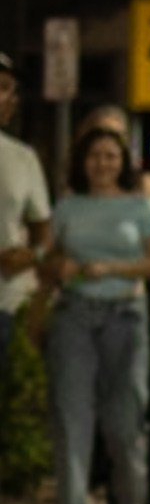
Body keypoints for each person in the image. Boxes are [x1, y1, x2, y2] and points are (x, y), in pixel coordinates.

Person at [42, 126, 150, 504]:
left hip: (126, 312)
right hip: (75, 312)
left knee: (125, 414)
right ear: (82, 161)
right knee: (71, 411)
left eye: (111, 156)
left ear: (124, 162)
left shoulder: (142, 207)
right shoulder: (67, 207)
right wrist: (56, 266)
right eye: (95, 155)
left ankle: (132, 498)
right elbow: (48, 254)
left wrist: (112, 268)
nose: (103, 163)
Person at [0, 51, 52, 375]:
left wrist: (33, 254)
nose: (8, 99)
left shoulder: (23, 158)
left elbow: (45, 230)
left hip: (7, 303)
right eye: (1, 87)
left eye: (11, 91)